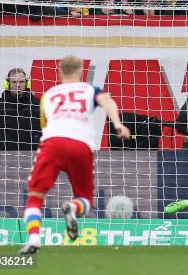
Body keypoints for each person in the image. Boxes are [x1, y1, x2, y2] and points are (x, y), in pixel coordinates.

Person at [18, 56, 130, 254]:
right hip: (81, 146)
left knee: (35, 197)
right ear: (80, 72)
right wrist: (118, 124)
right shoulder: (89, 89)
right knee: (85, 200)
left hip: (52, 144)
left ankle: (34, 238)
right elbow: (107, 101)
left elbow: (44, 125)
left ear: (60, 72)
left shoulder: (49, 94)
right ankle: (72, 207)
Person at [0, 68, 41, 151]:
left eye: (21, 82)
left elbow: (46, 131)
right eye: (14, 82)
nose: (18, 85)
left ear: (27, 83)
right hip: (5, 157)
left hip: (33, 155)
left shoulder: (38, 104)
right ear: (8, 84)